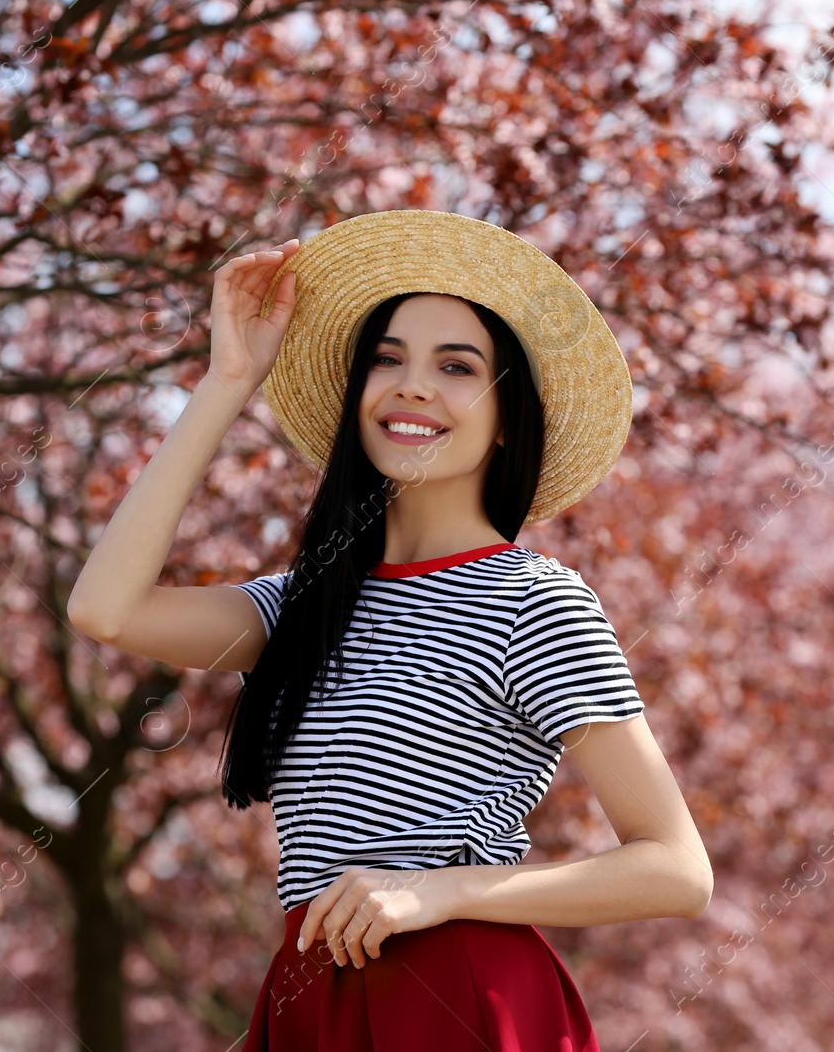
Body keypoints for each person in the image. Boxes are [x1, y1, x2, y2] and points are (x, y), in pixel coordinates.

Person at [67, 210, 713, 1051]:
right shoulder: (301, 604)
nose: (412, 385)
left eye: (457, 365)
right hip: (313, 989)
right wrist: (229, 378)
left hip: (458, 987)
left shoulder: (534, 601)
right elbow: (104, 608)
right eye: (387, 358)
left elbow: (676, 868)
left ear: (508, 415)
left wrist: (445, 892)